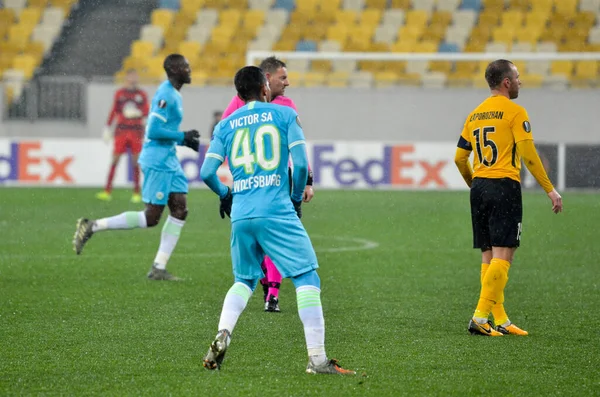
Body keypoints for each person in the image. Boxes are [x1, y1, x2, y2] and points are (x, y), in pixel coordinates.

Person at [199, 66, 354, 375]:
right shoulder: (284, 116)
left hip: (242, 212)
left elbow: (206, 172)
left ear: (239, 94)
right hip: (275, 208)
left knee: (243, 280)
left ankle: (223, 333)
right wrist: (295, 198)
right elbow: (299, 166)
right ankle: (318, 360)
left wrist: (226, 193)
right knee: (307, 277)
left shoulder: (226, 125)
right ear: (265, 88)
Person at [454, 59, 563, 336]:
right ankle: (480, 316)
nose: (519, 81)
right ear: (506, 82)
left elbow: (459, 158)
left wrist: (473, 183)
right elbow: (528, 155)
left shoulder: (475, 114)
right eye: (517, 76)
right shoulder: (514, 112)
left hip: (480, 186)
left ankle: (499, 318)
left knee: (489, 255)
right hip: (504, 186)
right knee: (504, 254)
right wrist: (549, 189)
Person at [73, 54, 201, 281]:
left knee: (180, 209)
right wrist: (182, 136)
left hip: (169, 159)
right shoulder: (165, 95)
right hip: (158, 161)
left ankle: (158, 267)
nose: (189, 70)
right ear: (173, 69)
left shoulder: (174, 94)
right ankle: (93, 226)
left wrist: (182, 140)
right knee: (151, 217)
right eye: (185, 66)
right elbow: (152, 131)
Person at [222, 56, 314, 312]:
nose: (287, 83)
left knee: (269, 236)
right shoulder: (240, 104)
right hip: (253, 182)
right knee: (263, 239)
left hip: (278, 180)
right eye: (282, 77)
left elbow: (298, 148)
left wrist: (306, 181)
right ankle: (269, 288)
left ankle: (272, 292)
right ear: (266, 79)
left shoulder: (287, 104)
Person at [97, 69, 149, 203]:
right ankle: (107, 191)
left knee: (136, 162)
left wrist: (137, 113)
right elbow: (114, 110)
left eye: (135, 76)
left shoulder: (141, 94)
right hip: (121, 130)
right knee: (115, 160)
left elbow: (147, 112)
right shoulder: (120, 93)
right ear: (127, 78)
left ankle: (136, 193)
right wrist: (107, 127)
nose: (133, 78)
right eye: (131, 76)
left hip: (136, 131)